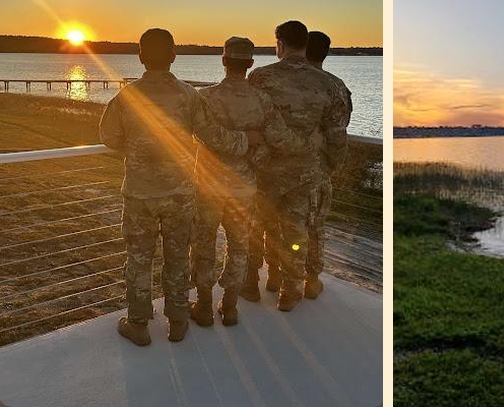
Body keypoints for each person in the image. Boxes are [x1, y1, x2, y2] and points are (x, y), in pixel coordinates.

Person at [99, 28, 256, 346]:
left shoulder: (127, 96)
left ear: (140, 56)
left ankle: (139, 323)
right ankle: (179, 321)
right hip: (181, 195)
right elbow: (213, 137)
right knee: (178, 258)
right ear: (173, 56)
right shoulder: (189, 96)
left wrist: (136, 147)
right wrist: (246, 141)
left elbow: (109, 138)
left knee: (139, 258)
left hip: (140, 194)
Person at [189, 37, 317, 326]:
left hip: (208, 185)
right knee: (238, 245)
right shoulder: (262, 101)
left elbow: (204, 135)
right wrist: (308, 145)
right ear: (250, 64)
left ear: (223, 60)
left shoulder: (206, 97)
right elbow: (278, 139)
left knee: (203, 244)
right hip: (243, 186)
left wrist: (238, 142)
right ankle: (230, 306)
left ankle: (204, 305)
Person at [245, 21, 348, 311]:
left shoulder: (261, 78)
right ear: (305, 44)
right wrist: (328, 166)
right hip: (305, 174)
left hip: (264, 172)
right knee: (296, 233)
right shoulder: (330, 85)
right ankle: (290, 291)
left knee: (257, 228)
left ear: (279, 44)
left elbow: (248, 121)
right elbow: (336, 136)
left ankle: (252, 282)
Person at [301, 30, 353, 299]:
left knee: (281, 223)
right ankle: (310, 279)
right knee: (315, 226)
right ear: (327, 53)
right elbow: (339, 133)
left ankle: (278, 276)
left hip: (283, 169)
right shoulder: (337, 87)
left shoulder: (286, 82)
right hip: (319, 170)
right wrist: (331, 167)